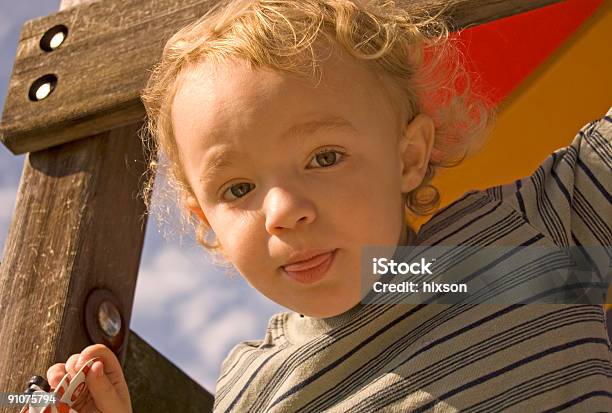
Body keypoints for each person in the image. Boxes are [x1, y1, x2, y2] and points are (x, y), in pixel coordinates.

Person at [46, 0, 612, 411]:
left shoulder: (526, 235)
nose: (284, 210)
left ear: (409, 157)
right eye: (238, 189)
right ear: (205, 222)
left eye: (324, 157)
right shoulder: (252, 388)